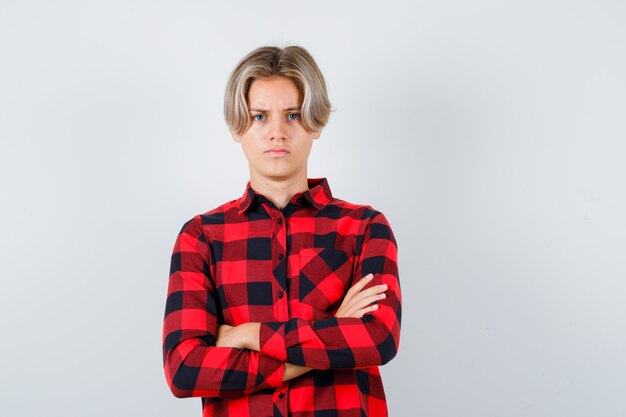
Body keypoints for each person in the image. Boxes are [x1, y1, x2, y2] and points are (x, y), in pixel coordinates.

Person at [162, 45, 402, 417]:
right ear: (237, 127)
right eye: (259, 116)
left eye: (292, 115)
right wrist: (335, 329)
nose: (277, 132)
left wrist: (248, 334)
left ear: (315, 123)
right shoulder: (201, 236)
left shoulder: (365, 228)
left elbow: (378, 338)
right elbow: (185, 369)